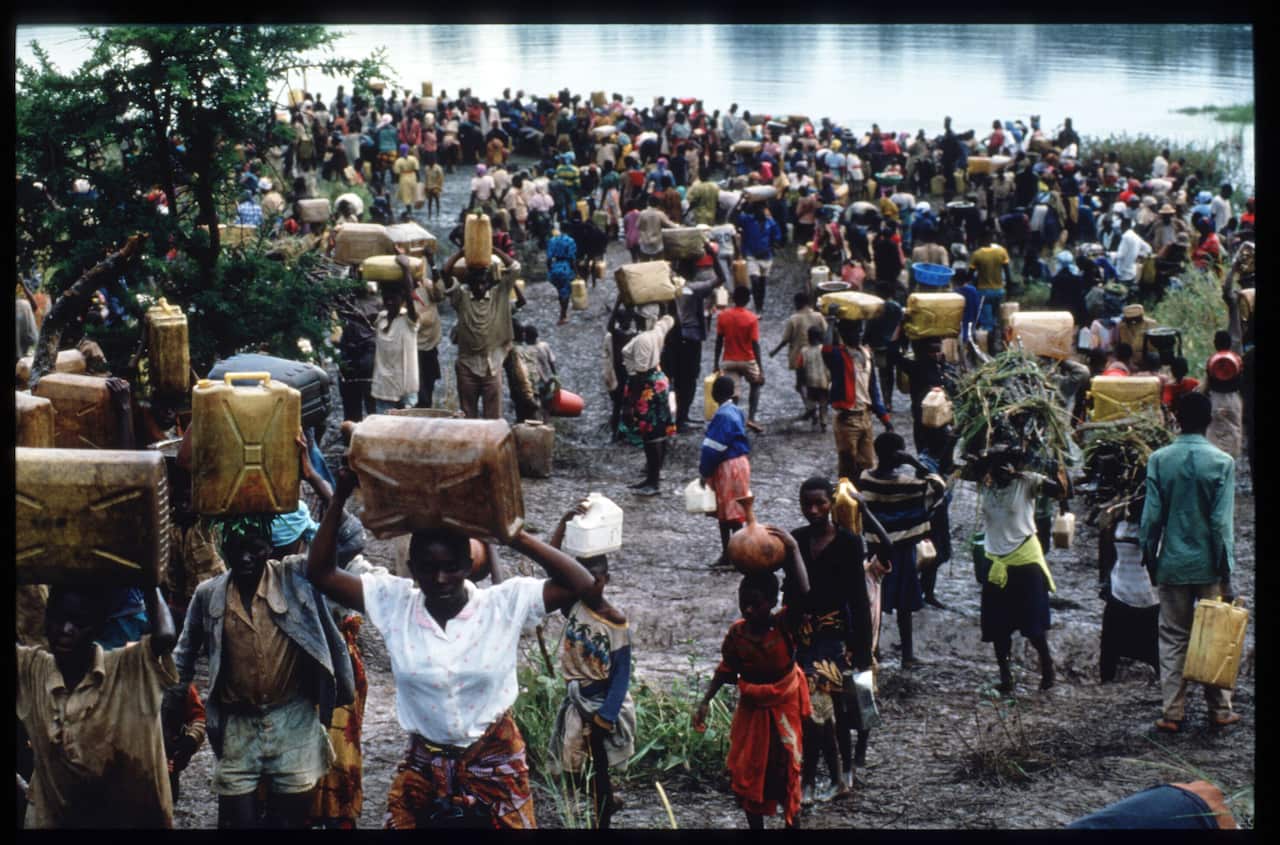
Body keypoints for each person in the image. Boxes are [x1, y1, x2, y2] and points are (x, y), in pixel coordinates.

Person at [304, 468, 599, 829]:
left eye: (450, 568)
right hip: (424, 764)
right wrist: (339, 498)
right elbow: (320, 573)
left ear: (467, 566)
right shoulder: (394, 602)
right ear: (412, 569)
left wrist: (513, 535)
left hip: (496, 762)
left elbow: (583, 584)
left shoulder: (502, 604)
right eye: (427, 569)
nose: (439, 579)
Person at [174, 511, 354, 828]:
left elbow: (351, 540)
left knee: (289, 824)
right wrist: (166, 717)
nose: (244, 557)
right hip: (238, 725)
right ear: (222, 549)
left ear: (269, 548)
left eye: (254, 548)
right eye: (235, 548)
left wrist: (331, 491)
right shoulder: (208, 595)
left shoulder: (295, 576)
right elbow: (183, 658)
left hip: (292, 720)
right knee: (238, 822)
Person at [17, 584, 177, 828]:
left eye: (78, 623)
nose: (65, 631)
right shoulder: (33, 670)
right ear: (45, 621)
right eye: (57, 621)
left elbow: (165, 636)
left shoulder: (129, 668)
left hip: (128, 820)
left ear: (98, 627)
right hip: (58, 819)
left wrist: (148, 580)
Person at [1141, 392, 1239, 732]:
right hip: (1209, 564)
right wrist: (1225, 567)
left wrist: (1149, 558)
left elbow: (1151, 518)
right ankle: (1220, 709)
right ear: (1209, 419)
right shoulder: (1222, 462)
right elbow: (1220, 524)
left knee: (1172, 637)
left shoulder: (1159, 459)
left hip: (1172, 562)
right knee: (1215, 634)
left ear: (1176, 419)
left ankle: (1173, 712)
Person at [693, 549, 812, 830]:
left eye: (755, 605)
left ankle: (791, 820)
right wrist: (705, 700)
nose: (748, 610)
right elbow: (726, 668)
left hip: (784, 706)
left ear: (771, 602)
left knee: (785, 767)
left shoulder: (784, 624)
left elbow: (804, 594)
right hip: (751, 710)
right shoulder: (738, 634)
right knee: (749, 769)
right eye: (743, 603)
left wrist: (793, 550)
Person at [544, 500, 636, 830]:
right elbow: (548, 562)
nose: (589, 584)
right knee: (573, 764)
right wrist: (565, 520)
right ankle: (607, 797)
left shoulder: (615, 622)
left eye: (595, 578)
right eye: (583, 578)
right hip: (577, 699)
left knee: (596, 761)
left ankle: (603, 816)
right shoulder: (573, 607)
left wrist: (606, 715)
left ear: (606, 578)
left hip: (601, 701)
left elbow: (622, 676)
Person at [784, 477, 874, 802]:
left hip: (836, 640)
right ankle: (820, 778)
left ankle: (840, 776)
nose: (813, 510)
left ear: (832, 503)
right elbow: (790, 591)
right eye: (806, 504)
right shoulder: (795, 541)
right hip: (805, 640)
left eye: (820, 503)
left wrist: (862, 649)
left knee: (831, 709)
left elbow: (859, 600)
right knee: (809, 713)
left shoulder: (850, 543)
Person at [965, 447, 1062, 692]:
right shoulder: (986, 486)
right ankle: (1006, 677)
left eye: (1006, 464)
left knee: (1033, 626)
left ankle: (1047, 668)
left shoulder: (1028, 483)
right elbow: (961, 469)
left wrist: (1021, 474)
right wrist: (978, 462)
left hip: (1025, 562)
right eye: (997, 465)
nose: (1002, 469)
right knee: (998, 628)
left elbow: (1060, 491)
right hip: (996, 563)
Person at [857, 433, 946, 668]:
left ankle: (872, 649)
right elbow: (939, 488)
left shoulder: (865, 478)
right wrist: (915, 463)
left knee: (874, 600)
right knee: (904, 606)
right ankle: (907, 655)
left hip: (874, 550)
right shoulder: (909, 485)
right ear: (900, 456)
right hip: (902, 551)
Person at [438, 247, 519, 419]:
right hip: (467, 364)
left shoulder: (500, 295)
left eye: (483, 282)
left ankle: (491, 445)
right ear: (469, 283)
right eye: (475, 283)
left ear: (489, 282)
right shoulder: (461, 298)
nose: (480, 286)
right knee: (468, 415)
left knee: (493, 417)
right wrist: (460, 253)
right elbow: (445, 273)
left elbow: (515, 268)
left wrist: (493, 249)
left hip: (493, 364)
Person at [1098, 495, 1159, 683]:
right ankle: (1158, 678)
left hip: (1124, 593)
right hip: (1145, 596)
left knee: (1110, 646)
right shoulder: (1156, 531)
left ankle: (1107, 680)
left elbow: (1106, 557)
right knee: (1153, 647)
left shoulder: (1119, 528)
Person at [823, 319, 893, 481]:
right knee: (848, 465)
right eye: (855, 331)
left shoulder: (867, 355)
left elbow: (873, 389)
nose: (859, 334)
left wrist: (885, 419)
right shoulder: (838, 356)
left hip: (865, 417)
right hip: (847, 419)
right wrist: (831, 322)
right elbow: (826, 349)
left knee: (868, 463)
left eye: (860, 330)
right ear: (844, 334)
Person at [669, 240, 727, 430]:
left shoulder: (667, 286)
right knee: (688, 379)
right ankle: (682, 418)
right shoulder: (693, 288)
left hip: (670, 338)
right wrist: (713, 255)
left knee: (675, 378)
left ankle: (677, 417)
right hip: (690, 338)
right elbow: (721, 278)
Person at [619, 312, 677, 495]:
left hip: (646, 387)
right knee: (657, 432)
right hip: (658, 383)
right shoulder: (658, 330)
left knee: (650, 436)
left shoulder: (644, 339)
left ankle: (653, 482)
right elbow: (670, 319)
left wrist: (629, 404)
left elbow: (641, 372)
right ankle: (652, 478)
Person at [700, 374, 752, 563]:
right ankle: (734, 553)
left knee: (726, 511)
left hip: (727, 466)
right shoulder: (735, 411)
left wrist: (704, 471)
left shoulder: (722, 415)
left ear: (714, 393)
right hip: (741, 463)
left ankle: (731, 553)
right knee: (735, 509)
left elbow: (714, 447)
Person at [370, 259, 420, 413]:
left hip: (405, 389)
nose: (390, 301)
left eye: (394, 297)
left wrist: (405, 270)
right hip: (383, 387)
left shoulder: (409, 320)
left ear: (403, 299)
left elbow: (411, 299)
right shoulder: (380, 319)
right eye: (387, 298)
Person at [714, 285, 767, 430]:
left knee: (732, 393)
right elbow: (755, 344)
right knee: (755, 384)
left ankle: (733, 419)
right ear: (748, 300)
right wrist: (761, 369)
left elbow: (719, 342)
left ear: (733, 298)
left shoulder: (723, 316)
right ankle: (751, 417)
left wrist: (715, 363)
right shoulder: (751, 318)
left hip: (729, 360)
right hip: (747, 360)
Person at [735, 200, 783, 312]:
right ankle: (758, 306)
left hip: (766, 257)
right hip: (752, 255)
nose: (761, 211)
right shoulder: (747, 220)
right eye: (759, 209)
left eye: (763, 209)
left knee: (762, 283)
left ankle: (759, 305)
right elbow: (735, 215)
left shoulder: (771, 222)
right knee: (755, 281)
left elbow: (777, 237)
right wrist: (742, 203)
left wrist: (773, 245)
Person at [1202, 331, 1243, 459]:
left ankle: (1216, 461)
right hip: (1233, 399)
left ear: (1215, 344)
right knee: (1234, 430)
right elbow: (1242, 382)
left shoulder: (1211, 361)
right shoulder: (1237, 360)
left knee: (1215, 431)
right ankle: (1232, 459)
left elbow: (1207, 384)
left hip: (1216, 399)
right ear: (1230, 344)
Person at [796, 326, 832, 430]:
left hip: (810, 381)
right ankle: (823, 422)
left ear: (808, 337)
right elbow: (830, 365)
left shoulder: (804, 351)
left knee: (811, 399)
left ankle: (813, 414)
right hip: (823, 380)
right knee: (823, 402)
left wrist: (799, 382)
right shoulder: (825, 349)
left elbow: (799, 368)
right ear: (821, 337)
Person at [545, 224, 578, 325]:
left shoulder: (553, 240)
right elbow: (572, 258)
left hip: (555, 268)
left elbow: (548, 258)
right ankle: (563, 315)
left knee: (560, 291)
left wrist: (550, 269)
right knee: (566, 293)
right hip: (565, 268)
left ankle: (562, 313)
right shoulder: (570, 241)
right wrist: (576, 271)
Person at [394, 145, 420, 219]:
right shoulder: (413, 159)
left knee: (406, 195)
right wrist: (418, 181)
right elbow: (417, 170)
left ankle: (409, 211)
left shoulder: (398, 161)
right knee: (412, 193)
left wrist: (396, 182)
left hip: (404, 178)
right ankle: (411, 209)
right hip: (413, 177)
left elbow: (396, 173)